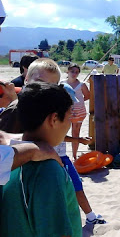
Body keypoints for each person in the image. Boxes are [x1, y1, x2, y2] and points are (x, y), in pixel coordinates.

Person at [0, 58, 105, 225]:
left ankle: (90, 215)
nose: (45, 90)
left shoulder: (50, 109)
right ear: (27, 79)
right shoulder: (16, 110)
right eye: (40, 82)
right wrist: (34, 150)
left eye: (52, 86)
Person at [0, 82, 81, 237]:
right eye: (69, 116)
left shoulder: (9, 161)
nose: (70, 123)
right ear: (54, 119)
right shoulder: (48, 169)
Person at [60, 63, 90, 160]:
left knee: (75, 133)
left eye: (76, 72)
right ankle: (61, 153)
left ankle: (74, 155)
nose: (74, 74)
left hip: (79, 111)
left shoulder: (81, 84)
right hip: (66, 111)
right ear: (67, 71)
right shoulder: (62, 83)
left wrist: (78, 103)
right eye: (72, 71)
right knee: (62, 132)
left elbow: (87, 96)